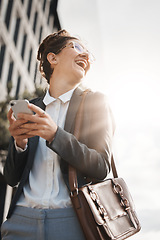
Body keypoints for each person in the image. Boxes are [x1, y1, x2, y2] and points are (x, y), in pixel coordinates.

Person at [1, 29, 115, 240]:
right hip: (20, 222)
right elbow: (10, 177)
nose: (85, 56)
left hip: (72, 222)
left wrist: (55, 135)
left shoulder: (96, 102)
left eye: (87, 53)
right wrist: (19, 143)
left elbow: (100, 167)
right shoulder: (29, 108)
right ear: (52, 58)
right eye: (77, 47)